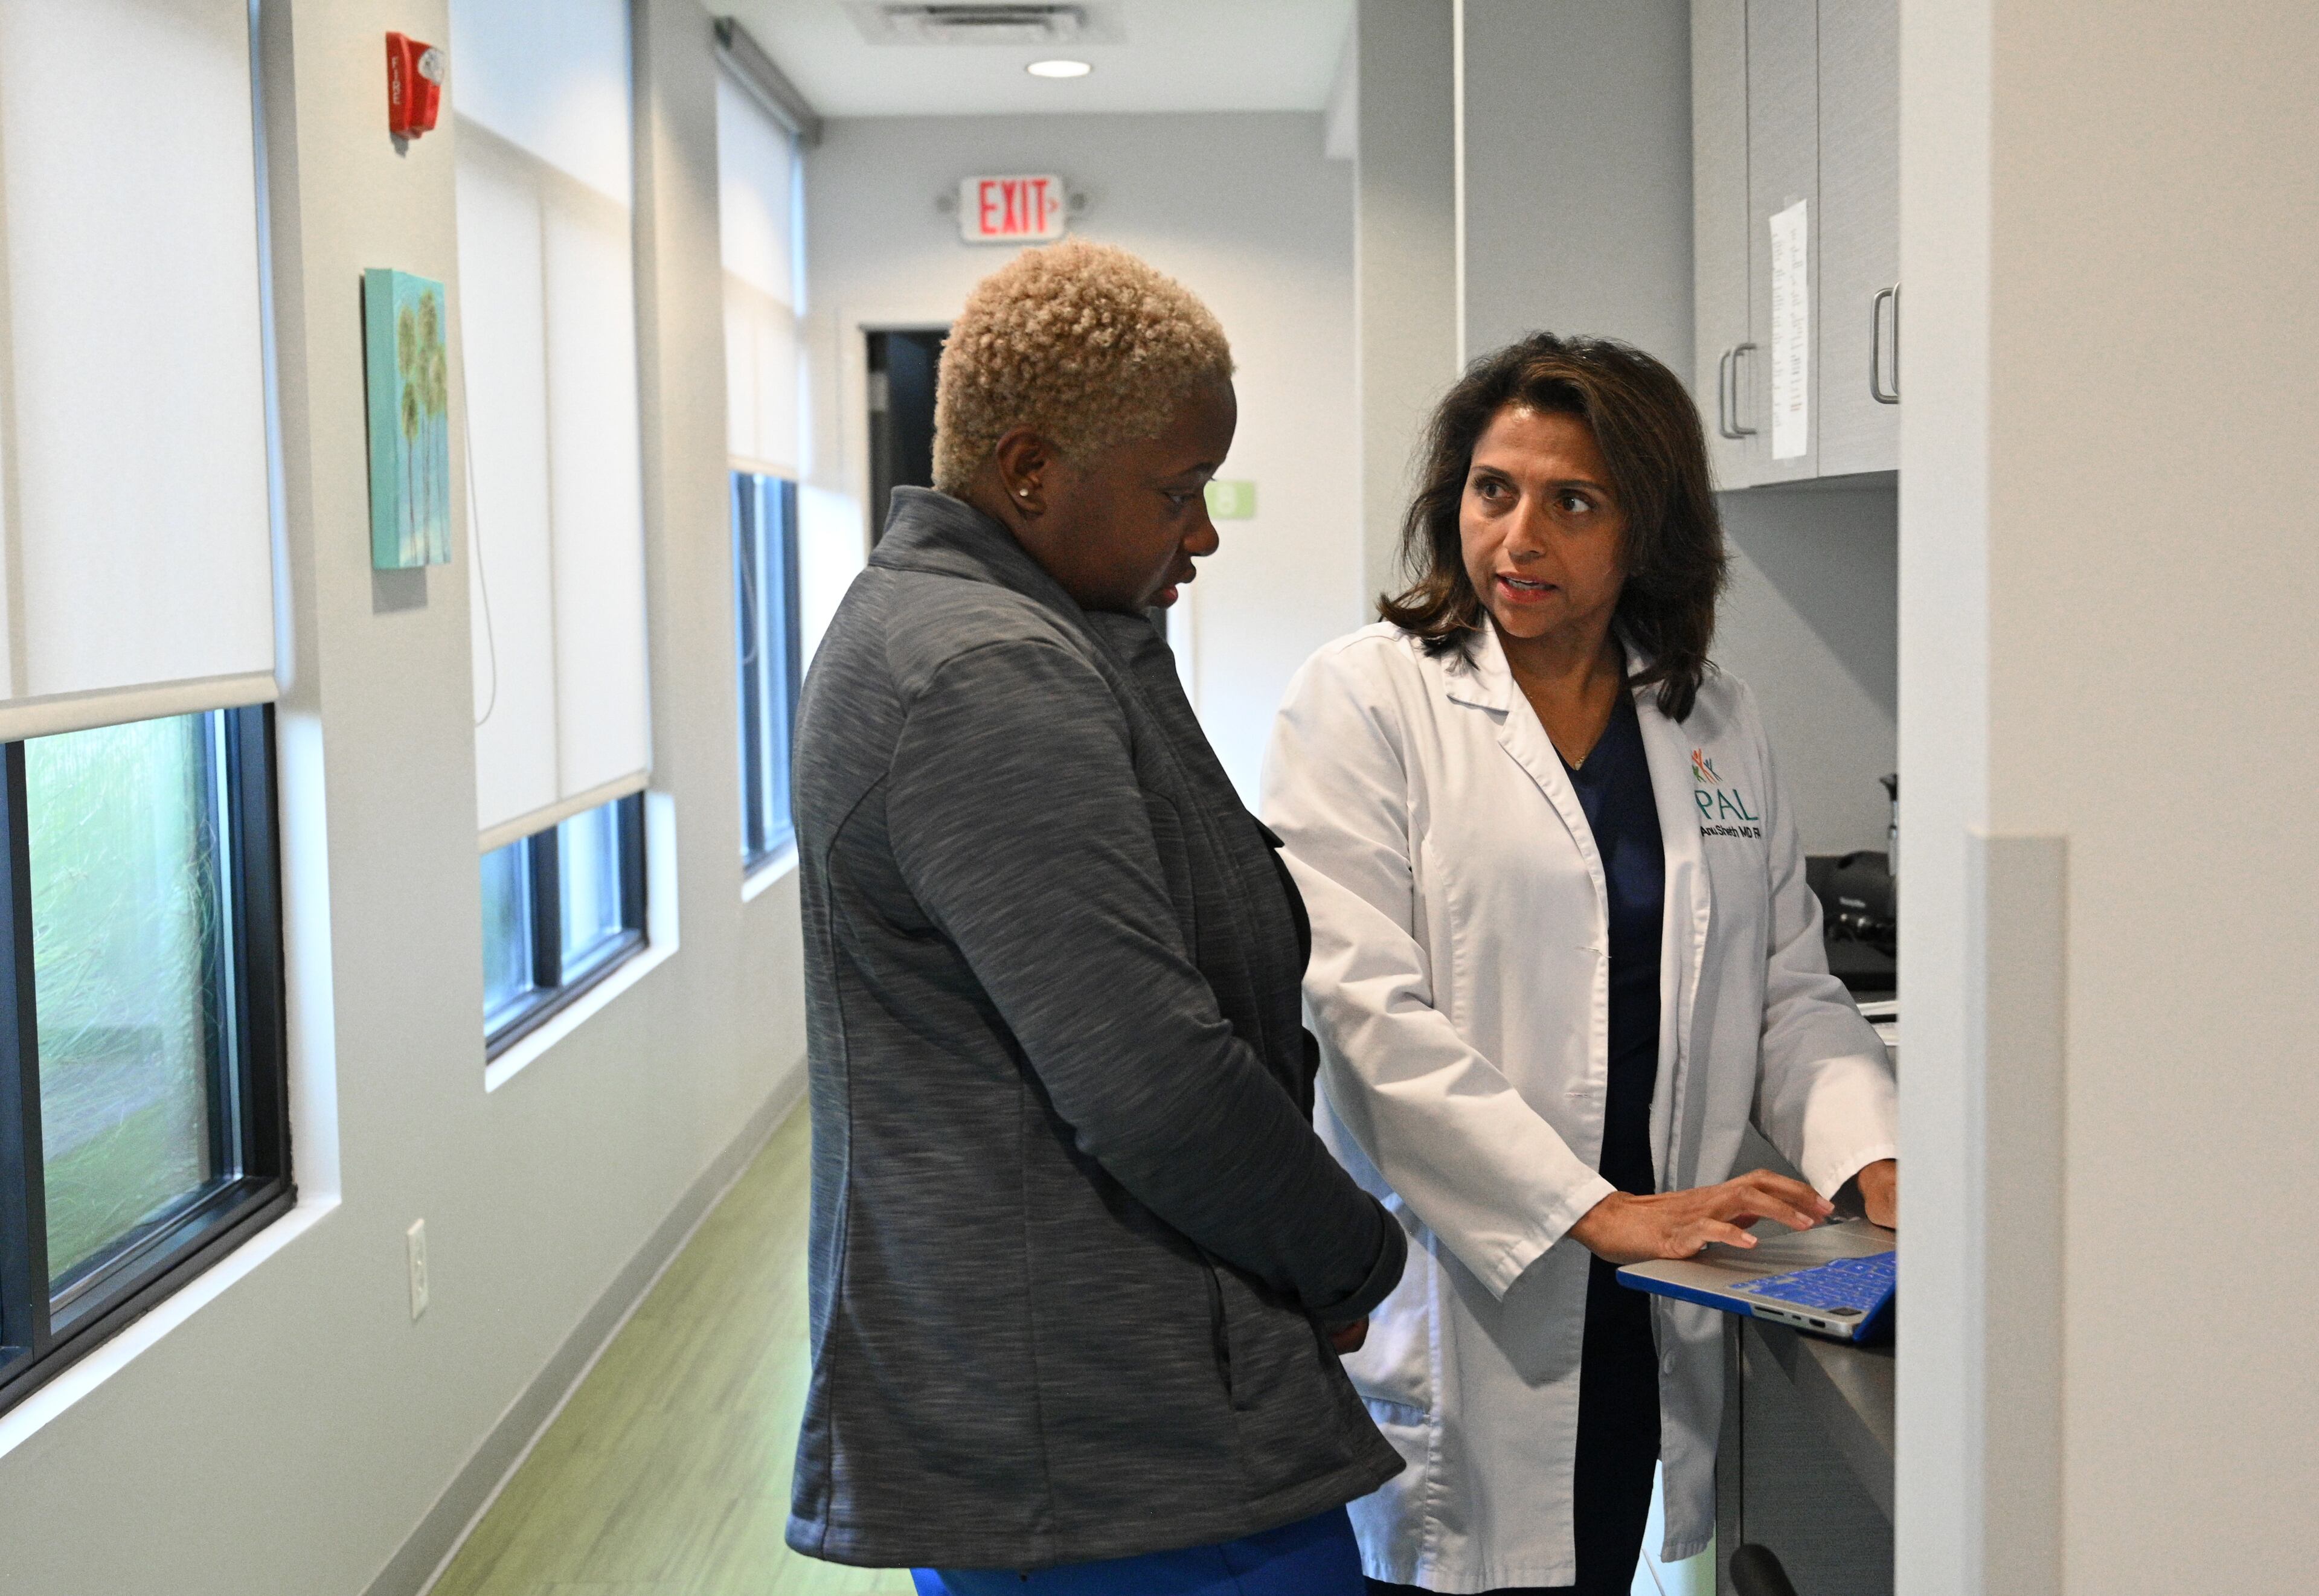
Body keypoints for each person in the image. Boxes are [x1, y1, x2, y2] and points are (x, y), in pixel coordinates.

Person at [785, 239, 1408, 1595]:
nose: (1203, 531)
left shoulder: (1003, 626)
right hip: (1109, 1460)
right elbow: (1155, 1084)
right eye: (1176, 491)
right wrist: (1353, 1247)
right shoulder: (984, 673)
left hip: (1090, 1431)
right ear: (1028, 472)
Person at [1262, 333, 1900, 1595]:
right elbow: (1361, 1016)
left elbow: (1785, 987)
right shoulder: (1365, 701)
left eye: (1574, 501)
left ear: (1647, 529)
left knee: (1593, 1561)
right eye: (1493, 489)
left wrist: (1879, 1159)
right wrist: (1594, 1210)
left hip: (1651, 1287)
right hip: (1477, 1279)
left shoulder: (1711, 717)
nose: (1518, 535)